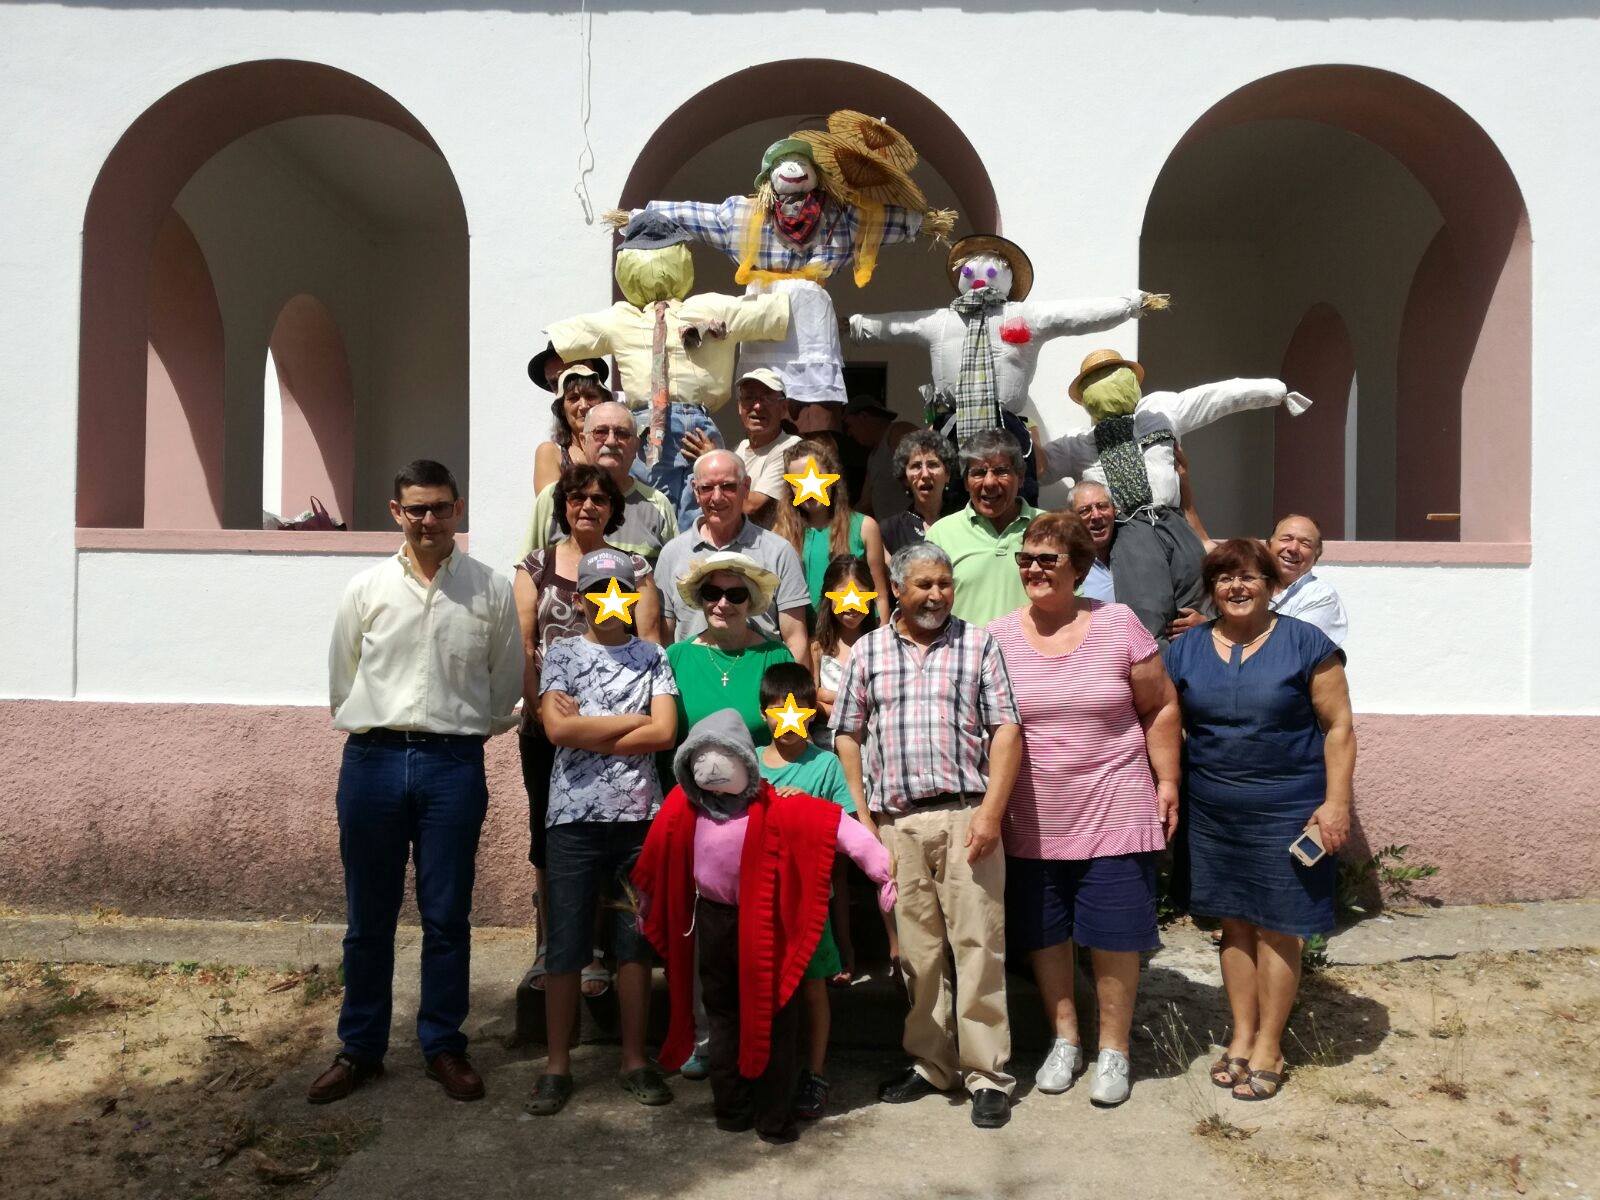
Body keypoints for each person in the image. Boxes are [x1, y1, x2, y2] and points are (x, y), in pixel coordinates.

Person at [312, 460, 522, 1106]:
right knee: (367, 918)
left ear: (458, 511)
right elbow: (341, 680)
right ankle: (361, 1048)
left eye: (440, 508)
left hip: (452, 766)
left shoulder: (488, 590)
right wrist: (383, 726)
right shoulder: (366, 587)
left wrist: (458, 733)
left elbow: (505, 682)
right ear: (395, 513)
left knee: (446, 916)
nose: (428, 521)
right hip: (372, 762)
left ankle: (443, 1045)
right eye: (416, 510)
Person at [988, 512, 1182, 1107]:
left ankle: (1114, 1051)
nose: (1035, 569)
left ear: (1078, 565)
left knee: (1114, 932)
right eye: (1026, 559)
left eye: (1048, 559)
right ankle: (1065, 1040)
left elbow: (1160, 706)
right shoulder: (995, 636)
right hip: (1033, 812)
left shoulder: (1119, 623)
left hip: (1117, 801)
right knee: (1046, 935)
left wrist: (1168, 779)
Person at [632, 709, 895, 1145]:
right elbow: (656, 855)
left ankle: (774, 1115)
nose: (711, 766)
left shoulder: (780, 806)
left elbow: (836, 827)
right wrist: (647, 901)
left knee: (777, 1018)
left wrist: (881, 872)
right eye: (701, 758)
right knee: (723, 1017)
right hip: (713, 924)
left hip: (767, 927)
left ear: (747, 764)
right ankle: (732, 1108)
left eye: (724, 756)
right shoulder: (684, 805)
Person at [832, 542, 1023, 1129]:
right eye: (924, 585)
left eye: (945, 583)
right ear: (897, 586)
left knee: (978, 946)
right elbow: (848, 735)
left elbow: (1007, 730)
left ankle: (987, 1073)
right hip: (897, 825)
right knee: (916, 954)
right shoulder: (868, 651)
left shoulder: (980, 643)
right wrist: (863, 817)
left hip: (969, 818)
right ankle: (931, 1064)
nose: (937, 595)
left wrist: (992, 812)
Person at [1163, 539, 1355, 1103]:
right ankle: (1241, 1034)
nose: (1236, 587)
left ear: (1271, 583)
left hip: (1288, 807)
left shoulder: (1307, 644)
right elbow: (1161, 719)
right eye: (1224, 578)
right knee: (1234, 923)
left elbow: (1339, 727)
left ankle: (1270, 1043)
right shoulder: (1187, 648)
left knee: (1280, 924)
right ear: (1212, 589)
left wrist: (1336, 802)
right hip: (1214, 810)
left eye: (1249, 576)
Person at [525, 549, 680, 1117]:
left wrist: (591, 731)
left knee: (634, 947)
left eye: (618, 588)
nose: (607, 598)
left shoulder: (653, 655)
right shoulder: (562, 652)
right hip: (573, 821)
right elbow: (556, 727)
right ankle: (557, 1066)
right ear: (580, 596)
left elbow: (665, 733)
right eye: (596, 589)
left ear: (633, 595)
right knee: (565, 945)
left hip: (639, 821)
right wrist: (633, 720)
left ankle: (635, 1060)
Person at [513, 463, 663, 997]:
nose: (588, 507)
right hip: (550, 728)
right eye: (577, 497)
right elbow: (525, 644)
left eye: (599, 498)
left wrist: (610, 722)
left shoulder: (636, 569)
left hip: (620, 724)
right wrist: (543, 712)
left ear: (613, 508)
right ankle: (551, 947)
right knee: (550, 840)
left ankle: (600, 952)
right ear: (563, 505)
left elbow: (648, 640)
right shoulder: (535, 565)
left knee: (614, 838)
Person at [756, 661, 862, 1120]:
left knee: (814, 987)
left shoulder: (826, 765)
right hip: (760, 903)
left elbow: (847, 823)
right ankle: (766, 1069)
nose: (788, 720)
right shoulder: (750, 763)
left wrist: (810, 810)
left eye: (798, 709)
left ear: (813, 714)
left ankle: (815, 1074)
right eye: (778, 710)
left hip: (811, 903)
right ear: (764, 714)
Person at [654, 450, 811, 664]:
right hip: (693, 684)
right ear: (695, 492)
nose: (717, 497)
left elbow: (796, 639)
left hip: (762, 683)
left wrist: (791, 693)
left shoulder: (779, 552)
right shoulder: (671, 554)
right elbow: (664, 638)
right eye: (707, 488)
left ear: (746, 487)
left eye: (728, 486)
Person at [520, 402, 678, 564]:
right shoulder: (553, 498)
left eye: (622, 434)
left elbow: (673, 577)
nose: (611, 441)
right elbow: (528, 573)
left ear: (636, 445)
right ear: (583, 441)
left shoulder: (657, 505)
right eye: (600, 432)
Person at [666, 552, 794, 748]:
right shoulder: (676, 657)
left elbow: (793, 739)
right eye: (712, 593)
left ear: (749, 601)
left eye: (736, 595)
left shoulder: (776, 657)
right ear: (701, 598)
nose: (723, 604)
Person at [926, 429, 1040, 626]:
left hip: (1032, 655)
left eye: (1001, 471)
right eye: (978, 473)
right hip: (966, 654)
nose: (989, 482)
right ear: (965, 483)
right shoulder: (941, 534)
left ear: (1020, 477)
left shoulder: (1049, 526)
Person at [774, 438, 892, 623]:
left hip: (858, 639)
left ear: (832, 477)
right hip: (807, 640)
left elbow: (880, 596)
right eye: (798, 482)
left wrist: (884, 644)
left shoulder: (864, 527)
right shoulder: (781, 534)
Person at [810, 554, 876, 752]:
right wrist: (855, 709)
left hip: (870, 750)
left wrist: (829, 696)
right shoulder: (817, 648)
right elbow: (809, 700)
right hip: (828, 751)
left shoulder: (879, 646)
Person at [732, 368, 801, 526]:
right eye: (749, 398)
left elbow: (751, 506)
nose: (757, 406)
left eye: (767, 398)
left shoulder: (791, 447)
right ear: (739, 407)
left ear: (783, 408)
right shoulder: (741, 448)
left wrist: (712, 460)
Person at [1267, 514, 1349, 646]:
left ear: (1316, 558)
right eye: (1286, 539)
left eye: (1305, 544)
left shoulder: (1321, 596)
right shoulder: (1248, 587)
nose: (1293, 548)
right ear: (1268, 546)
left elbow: (1290, 648)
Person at [532, 361, 610, 494]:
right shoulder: (552, 452)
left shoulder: (616, 446)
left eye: (591, 396)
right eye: (574, 398)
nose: (583, 405)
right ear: (562, 408)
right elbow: (550, 508)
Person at [878, 428, 959, 556]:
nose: (925, 474)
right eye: (916, 466)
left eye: (932, 465)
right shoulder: (890, 530)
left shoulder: (965, 521)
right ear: (905, 478)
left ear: (947, 474)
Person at [841, 395, 919, 520]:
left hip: (911, 529)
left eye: (848, 425)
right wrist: (843, 521)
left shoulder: (897, 432)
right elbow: (866, 502)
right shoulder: (873, 457)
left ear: (863, 417)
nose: (849, 433)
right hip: (889, 532)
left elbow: (920, 473)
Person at [1071, 480, 1118, 604]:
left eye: (1102, 506)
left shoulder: (1137, 550)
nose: (1096, 516)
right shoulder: (1070, 567)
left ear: (1115, 510)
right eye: (1084, 511)